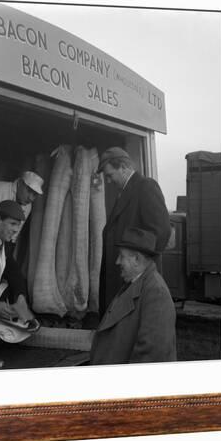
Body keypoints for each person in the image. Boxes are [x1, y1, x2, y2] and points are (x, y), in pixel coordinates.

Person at [98, 147, 171, 316]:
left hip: (133, 279)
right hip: (121, 276)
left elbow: (161, 231)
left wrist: (139, 267)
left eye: (110, 175)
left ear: (123, 167)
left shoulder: (146, 187)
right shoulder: (123, 193)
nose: (108, 181)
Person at [90, 227, 177, 365]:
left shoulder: (156, 293)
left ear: (136, 259)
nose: (117, 262)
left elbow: (152, 356)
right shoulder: (135, 283)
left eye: (121, 256)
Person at [0, 200, 35, 323]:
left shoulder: (4, 243)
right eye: (12, 224)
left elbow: (14, 272)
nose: (16, 230)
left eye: (18, 225)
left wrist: (21, 296)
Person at [0, 171, 44, 235]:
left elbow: (15, 233)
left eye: (35, 194)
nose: (31, 198)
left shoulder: (27, 205)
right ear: (20, 183)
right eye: (29, 191)